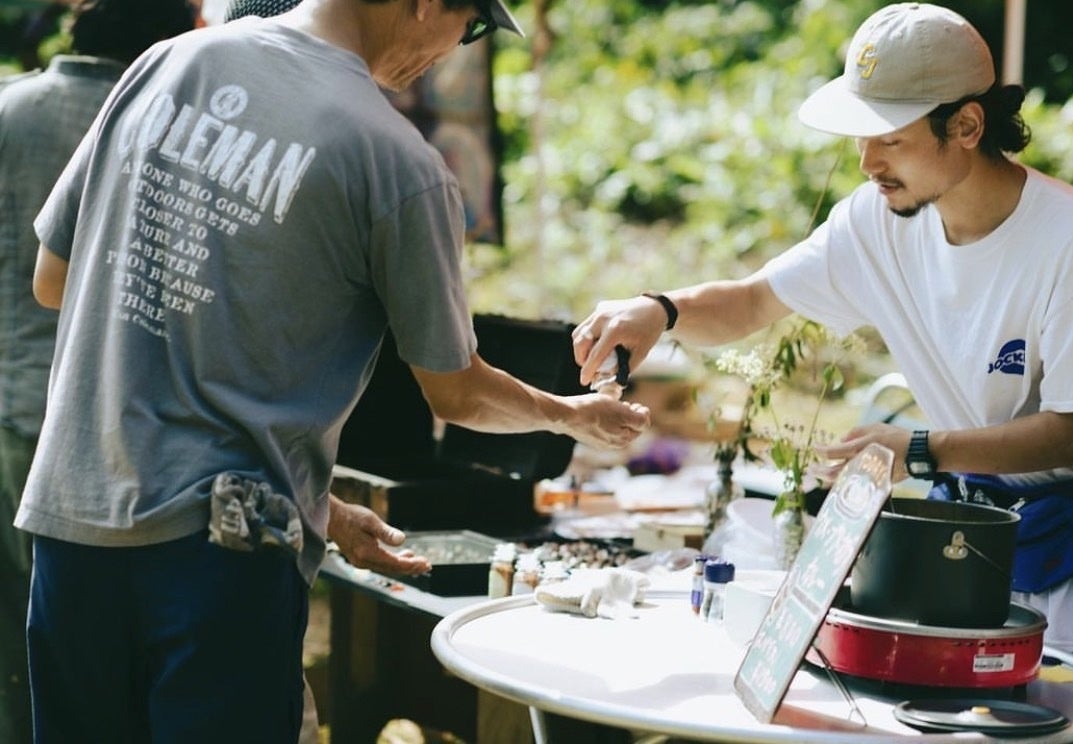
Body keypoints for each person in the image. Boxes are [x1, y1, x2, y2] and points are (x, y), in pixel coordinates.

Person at [14, 0, 651, 739]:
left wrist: (320, 505)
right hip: (222, 557)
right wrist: (569, 413)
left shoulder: (169, 62)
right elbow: (455, 391)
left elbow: (53, 279)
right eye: (470, 25)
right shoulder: (398, 162)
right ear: (422, 5)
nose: (450, 51)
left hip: (72, 518)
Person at [574, 2, 1073, 669]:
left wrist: (918, 449)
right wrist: (659, 309)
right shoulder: (874, 220)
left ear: (966, 125)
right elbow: (752, 300)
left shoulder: (1069, 238)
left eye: (888, 138)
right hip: (973, 537)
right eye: (859, 137)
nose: (866, 161)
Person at [0, 2, 198, 741]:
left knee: (18, 656)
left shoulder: (9, 109)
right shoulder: (168, 126)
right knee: (107, 664)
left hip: (8, 407)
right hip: (122, 432)